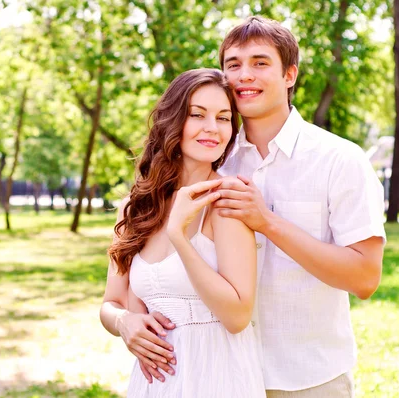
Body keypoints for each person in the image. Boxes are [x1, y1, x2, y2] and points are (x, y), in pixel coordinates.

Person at [114, 16, 387, 398]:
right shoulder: (213, 159)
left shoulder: (339, 160)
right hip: (219, 374)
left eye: (260, 63)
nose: (245, 75)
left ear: (290, 74)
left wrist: (268, 223)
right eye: (233, 64)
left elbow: (365, 278)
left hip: (306, 377)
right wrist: (126, 318)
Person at [99, 68, 267, 397]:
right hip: (155, 383)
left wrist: (178, 234)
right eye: (197, 115)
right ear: (173, 120)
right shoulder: (136, 208)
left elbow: (237, 316)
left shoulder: (226, 205)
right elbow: (111, 303)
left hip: (216, 376)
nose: (212, 128)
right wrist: (123, 322)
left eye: (223, 118)